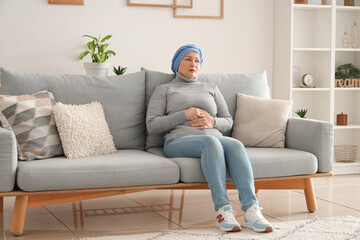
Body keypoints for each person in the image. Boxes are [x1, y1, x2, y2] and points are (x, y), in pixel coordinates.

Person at [146, 44, 273, 233]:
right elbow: (153, 125)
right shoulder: (164, 89)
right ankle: (223, 210)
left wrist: (212, 121)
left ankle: (251, 210)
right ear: (176, 63)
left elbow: (228, 121)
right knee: (211, 142)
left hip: (214, 137)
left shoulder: (211, 87)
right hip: (178, 142)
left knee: (236, 144)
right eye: (187, 59)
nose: (193, 63)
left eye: (197, 60)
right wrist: (185, 114)